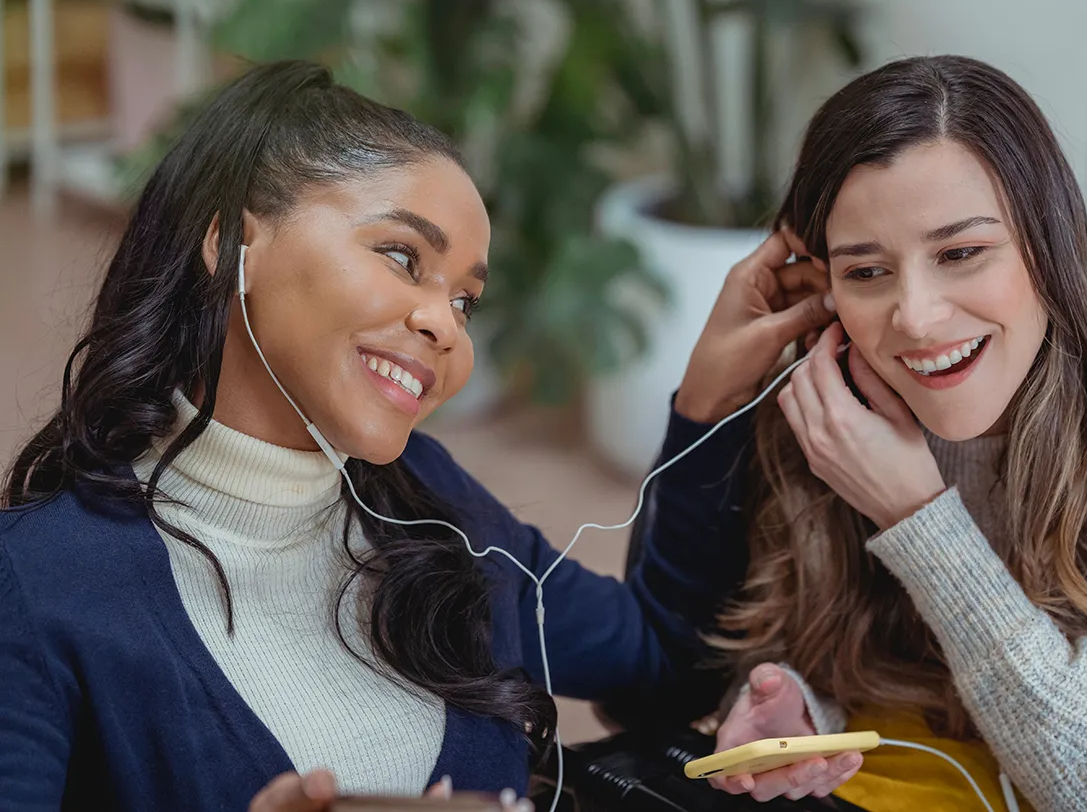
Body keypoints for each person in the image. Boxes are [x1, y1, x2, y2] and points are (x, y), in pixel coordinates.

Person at [0, 60, 838, 811]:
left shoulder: (435, 512)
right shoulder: (38, 583)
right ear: (234, 246)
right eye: (403, 257)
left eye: (466, 300)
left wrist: (706, 399)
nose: (445, 325)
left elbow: (659, 660)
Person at [660, 55, 1087, 811]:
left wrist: (919, 520)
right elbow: (683, 666)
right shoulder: (836, 398)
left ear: (1046, 242)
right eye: (866, 272)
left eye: (961, 253)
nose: (917, 318)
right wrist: (801, 703)